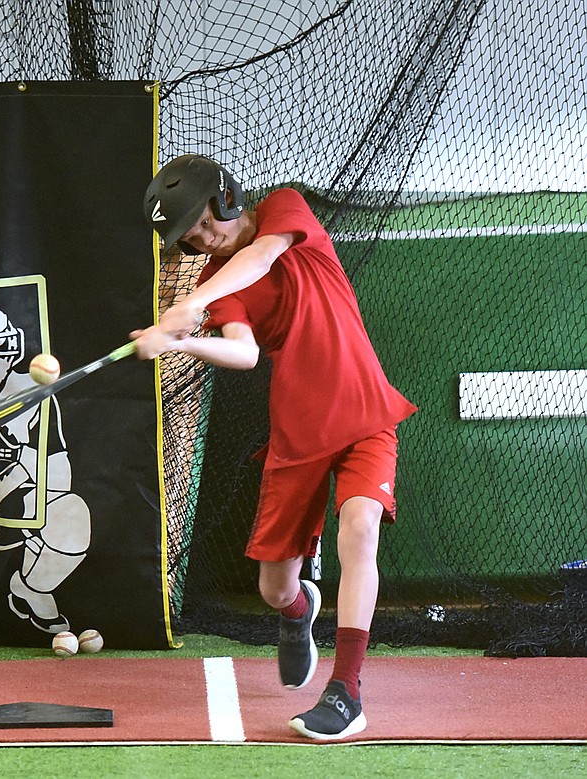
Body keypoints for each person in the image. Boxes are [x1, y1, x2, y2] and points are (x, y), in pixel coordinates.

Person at [134, 155, 416, 740]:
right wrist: (180, 344)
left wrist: (188, 306)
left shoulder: (283, 209)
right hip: (298, 433)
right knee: (274, 588)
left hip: (365, 412)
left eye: (204, 223)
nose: (202, 238)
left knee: (360, 527)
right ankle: (298, 612)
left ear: (228, 198)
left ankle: (346, 691)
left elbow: (260, 255)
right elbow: (245, 353)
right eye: (189, 236)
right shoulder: (221, 289)